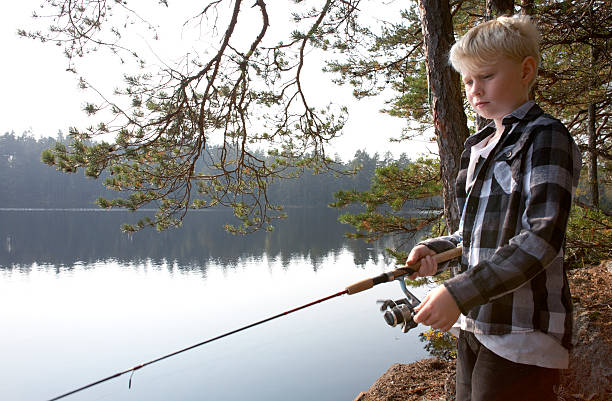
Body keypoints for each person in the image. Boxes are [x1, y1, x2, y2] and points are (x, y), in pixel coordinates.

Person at [404, 14, 581, 401]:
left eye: (485, 76)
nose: (474, 90)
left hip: (523, 335)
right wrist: (435, 250)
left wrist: (457, 293)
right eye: (467, 81)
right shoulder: (477, 146)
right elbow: (472, 235)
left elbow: (541, 238)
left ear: (526, 70)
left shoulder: (546, 137)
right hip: (474, 323)